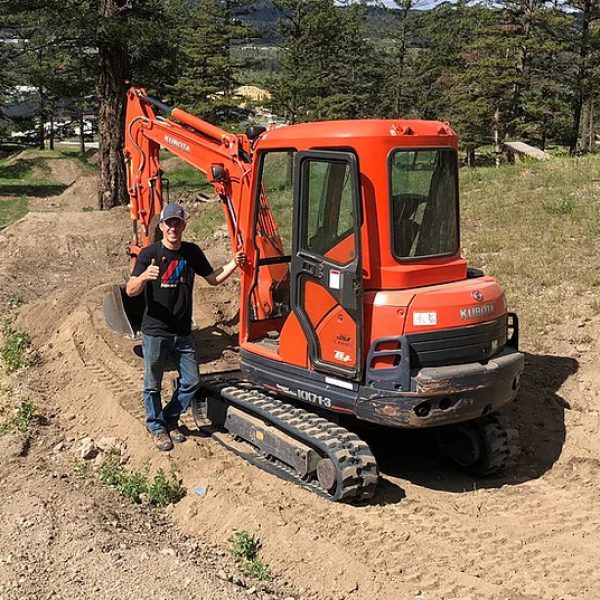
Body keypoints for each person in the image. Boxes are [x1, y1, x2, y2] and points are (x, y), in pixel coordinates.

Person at [126, 203, 245, 451]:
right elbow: (130, 289)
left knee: (191, 380)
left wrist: (234, 263)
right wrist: (144, 276)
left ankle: (169, 419)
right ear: (161, 226)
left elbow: (213, 279)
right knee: (152, 384)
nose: (173, 227)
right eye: (169, 223)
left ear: (184, 226)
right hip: (155, 332)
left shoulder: (191, 252)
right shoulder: (149, 254)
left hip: (182, 332)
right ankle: (157, 428)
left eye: (178, 223)